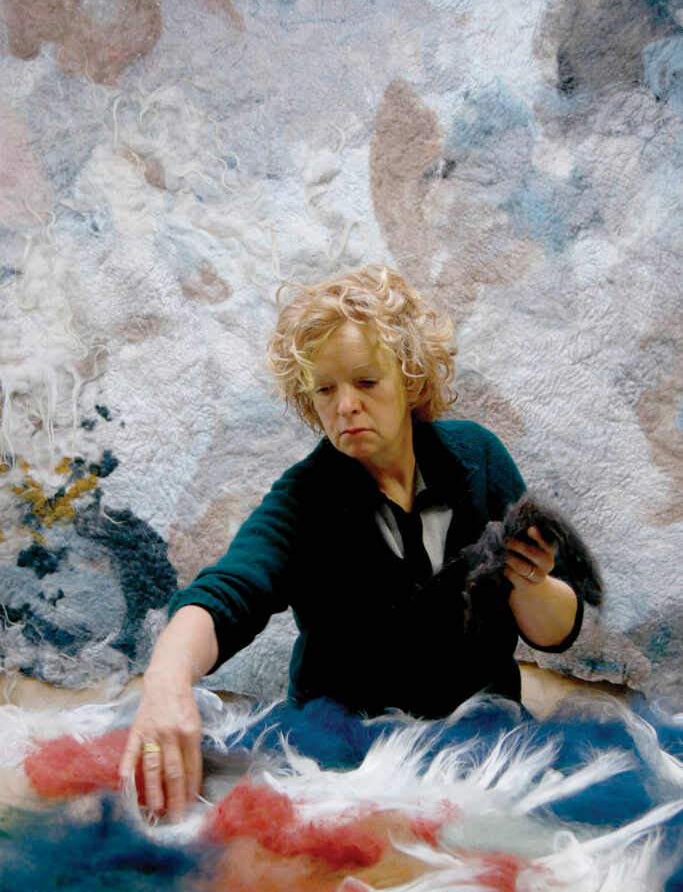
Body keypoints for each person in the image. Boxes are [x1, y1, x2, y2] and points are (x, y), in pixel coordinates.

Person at [120, 265, 582, 820]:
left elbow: (556, 632)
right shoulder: (304, 496)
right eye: (324, 388)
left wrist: (529, 583)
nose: (345, 406)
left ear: (411, 380)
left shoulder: (479, 459)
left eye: (366, 381)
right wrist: (167, 676)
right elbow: (233, 586)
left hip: (481, 742)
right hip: (342, 758)